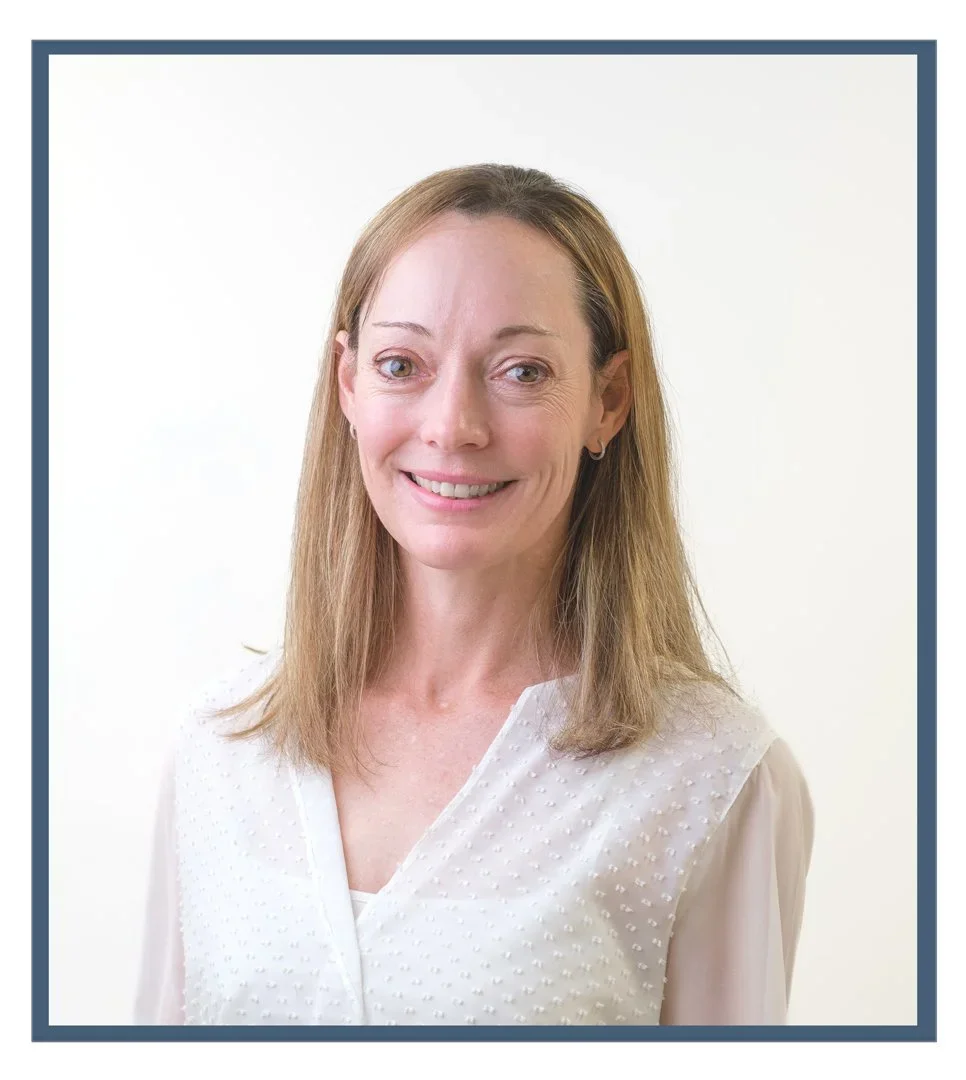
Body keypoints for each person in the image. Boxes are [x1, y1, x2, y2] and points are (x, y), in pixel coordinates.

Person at [134, 163, 815, 1027]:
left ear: (608, 400)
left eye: (522, 372)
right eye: (401, 364)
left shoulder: (713, 780)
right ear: (349, 384)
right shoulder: (219, 752)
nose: (452, 425)